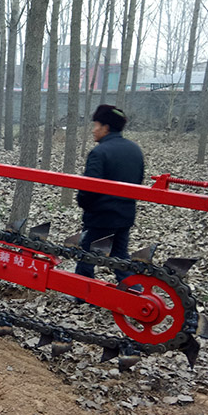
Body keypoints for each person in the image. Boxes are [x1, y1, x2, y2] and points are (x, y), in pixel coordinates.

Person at [75, 104, 144, 285]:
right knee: (120, 257)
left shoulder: (99, 152)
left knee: (86, 256)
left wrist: (84, 204)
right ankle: (135, 294)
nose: (93, 130)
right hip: (125, 216)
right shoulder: (135, 150)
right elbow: (139, 181)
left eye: (96, 125)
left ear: (106, 128)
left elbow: (89, 188)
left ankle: (83, 294)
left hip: (101, 217)